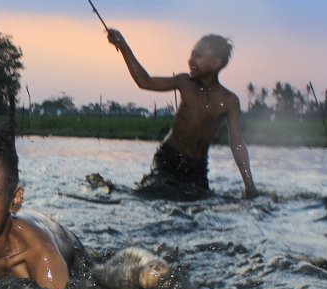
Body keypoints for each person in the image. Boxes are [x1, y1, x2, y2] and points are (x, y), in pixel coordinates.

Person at [0, 121, 168, 289]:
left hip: (60, 239)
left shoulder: (37, 253)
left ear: (14, 199)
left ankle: (144, 267)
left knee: (95, 279)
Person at [107, 29, 258, 199]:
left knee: (199, 201)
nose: (191, 60)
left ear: (216, 63)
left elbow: (237, 143)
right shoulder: (184, 83)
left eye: (198, 56)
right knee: (155, 192)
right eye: (192, 54)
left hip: (197, 168)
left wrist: (249, 186)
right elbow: (145, 81)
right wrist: (123, 46)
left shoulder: (229, 101)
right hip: (168, 158)